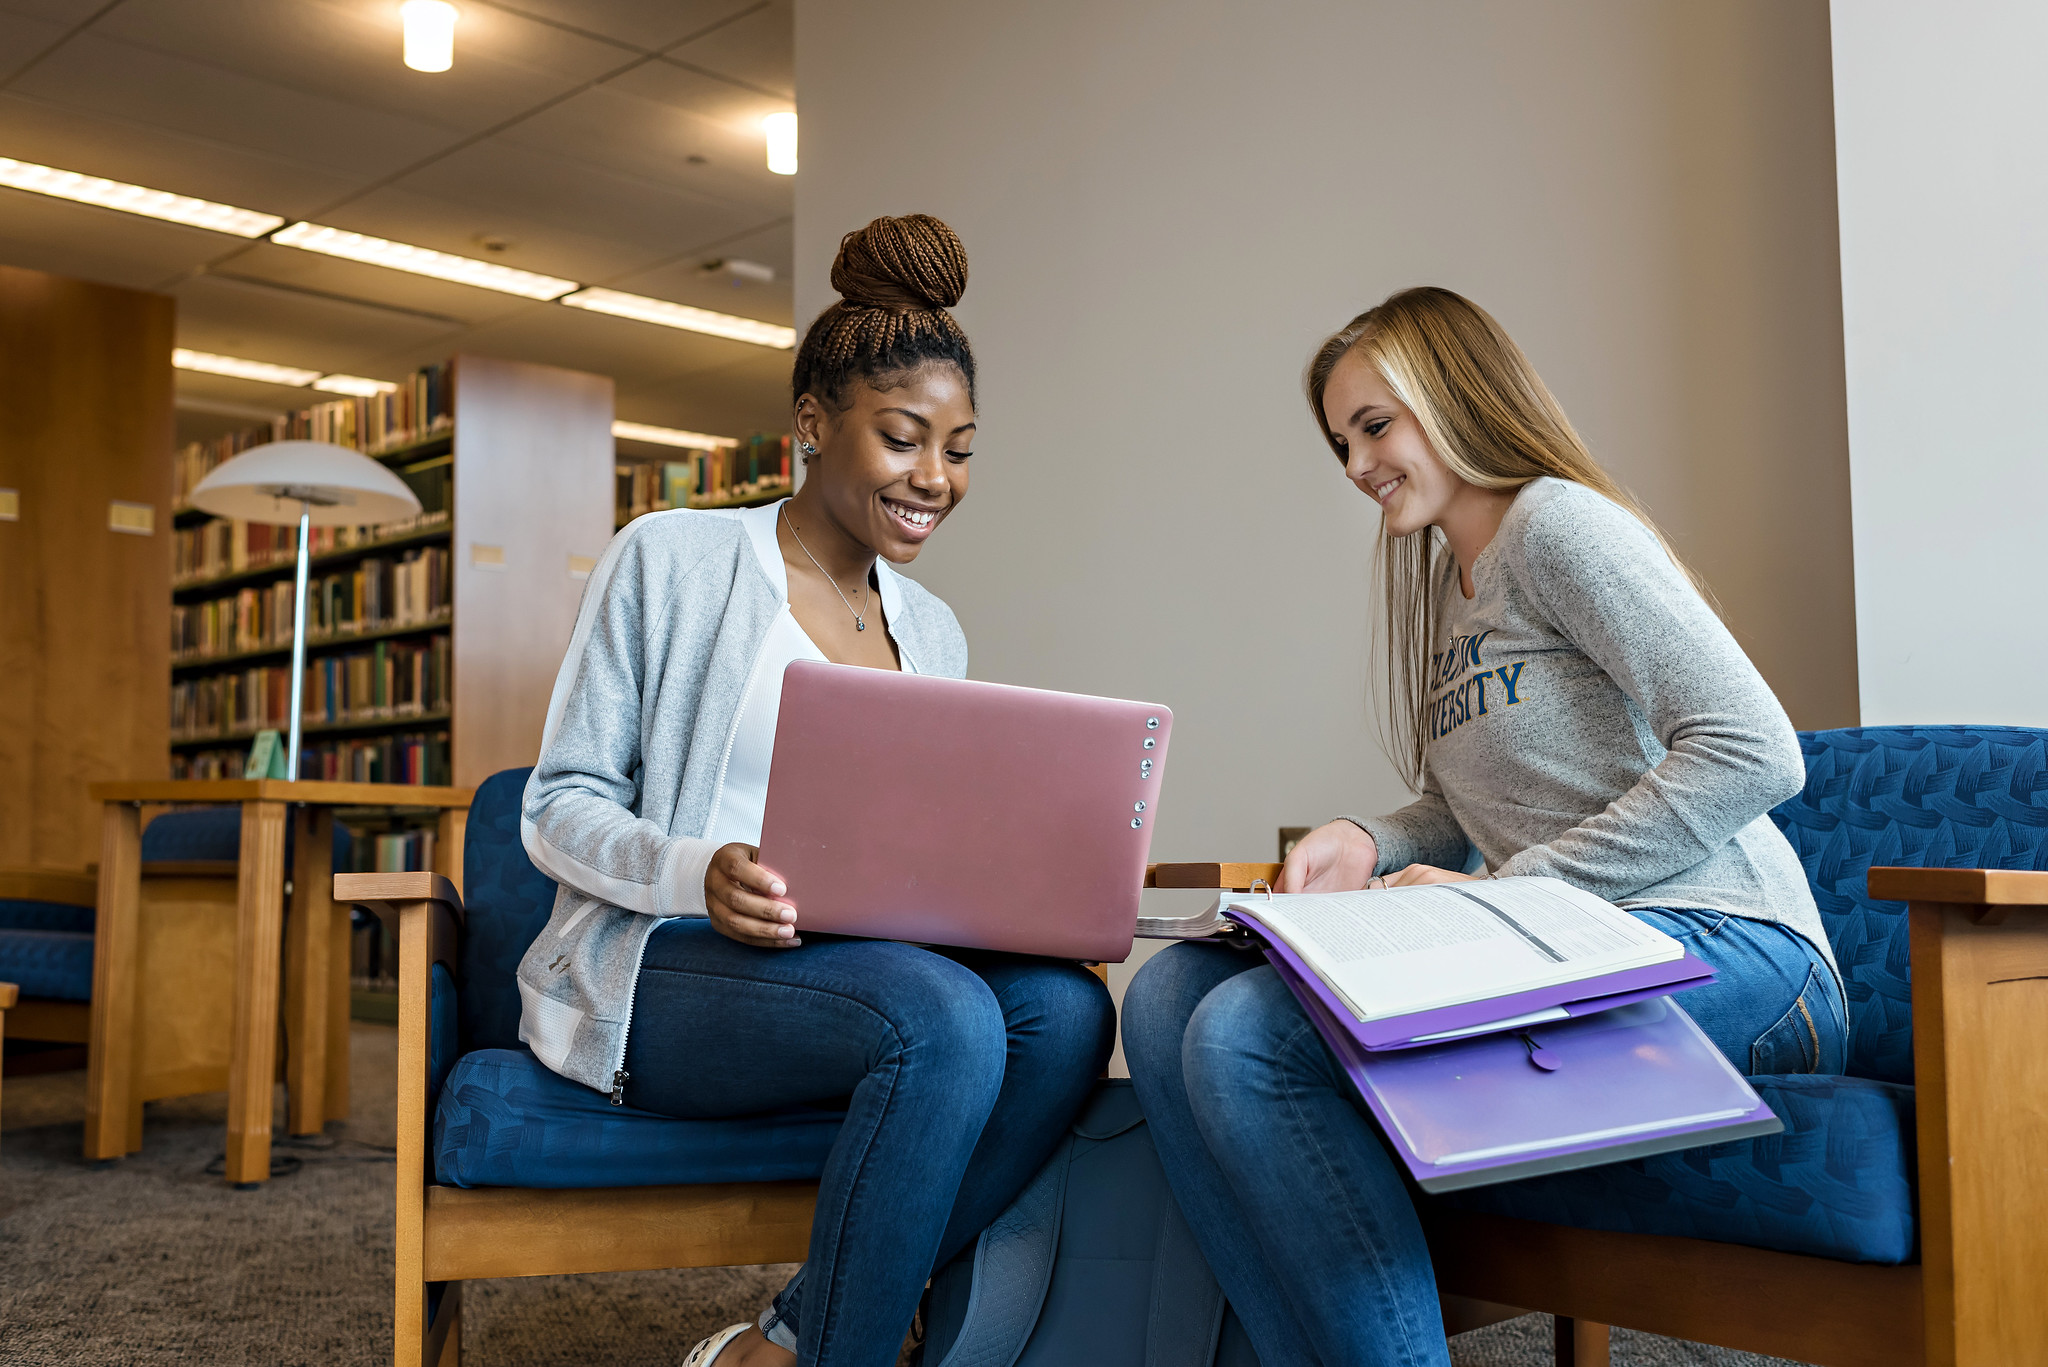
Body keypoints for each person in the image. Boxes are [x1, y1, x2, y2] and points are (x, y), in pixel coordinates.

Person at [1121, 286, 1846, 1367]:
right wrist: (1368, 838)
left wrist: (1507, 895)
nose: (1357, 462)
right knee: (1170, 997)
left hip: (1738, 948)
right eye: (1339, 441)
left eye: (1375, 424)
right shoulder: (1450, 592)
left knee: (1251, 1033)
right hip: (1573, 938)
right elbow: (1457, 809)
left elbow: (1753, 748)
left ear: (1453, 395)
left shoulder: (1557, 525)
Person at [518, 214, 1115, 1367]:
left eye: (960, 447)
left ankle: (787, 1340)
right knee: (939, 1019)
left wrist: (1021, 892)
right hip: (668, 960)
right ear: (810, 425)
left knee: (1068, 1013)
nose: (933, 478)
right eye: (901, 439)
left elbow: (926, 844)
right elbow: (556, 800)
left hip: (851, 962)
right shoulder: (672, 560)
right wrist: (702, 870)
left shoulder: (932, 629)